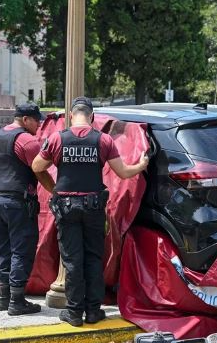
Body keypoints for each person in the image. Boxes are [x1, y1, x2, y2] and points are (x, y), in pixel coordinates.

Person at [32, 96, 148, 327]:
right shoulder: (103, 140)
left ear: (72, 116)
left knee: (72, 260)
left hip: (66, 208)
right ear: (92, 117)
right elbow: (124, 173)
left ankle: (74, 313)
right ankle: (94, 311)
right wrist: (142, 165)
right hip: (94, 207)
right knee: (94, 258)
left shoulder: (57, 138)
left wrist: (54, 189)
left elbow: (37, 166)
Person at [0, 103, 55, 316]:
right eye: (36, 121)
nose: (39, 125)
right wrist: (55, 191)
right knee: (21, 251)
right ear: (25, 120)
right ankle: (17, 301)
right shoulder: (26, 140)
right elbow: (40, 170)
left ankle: (3, 298)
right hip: (18, 203)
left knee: (4, 250)